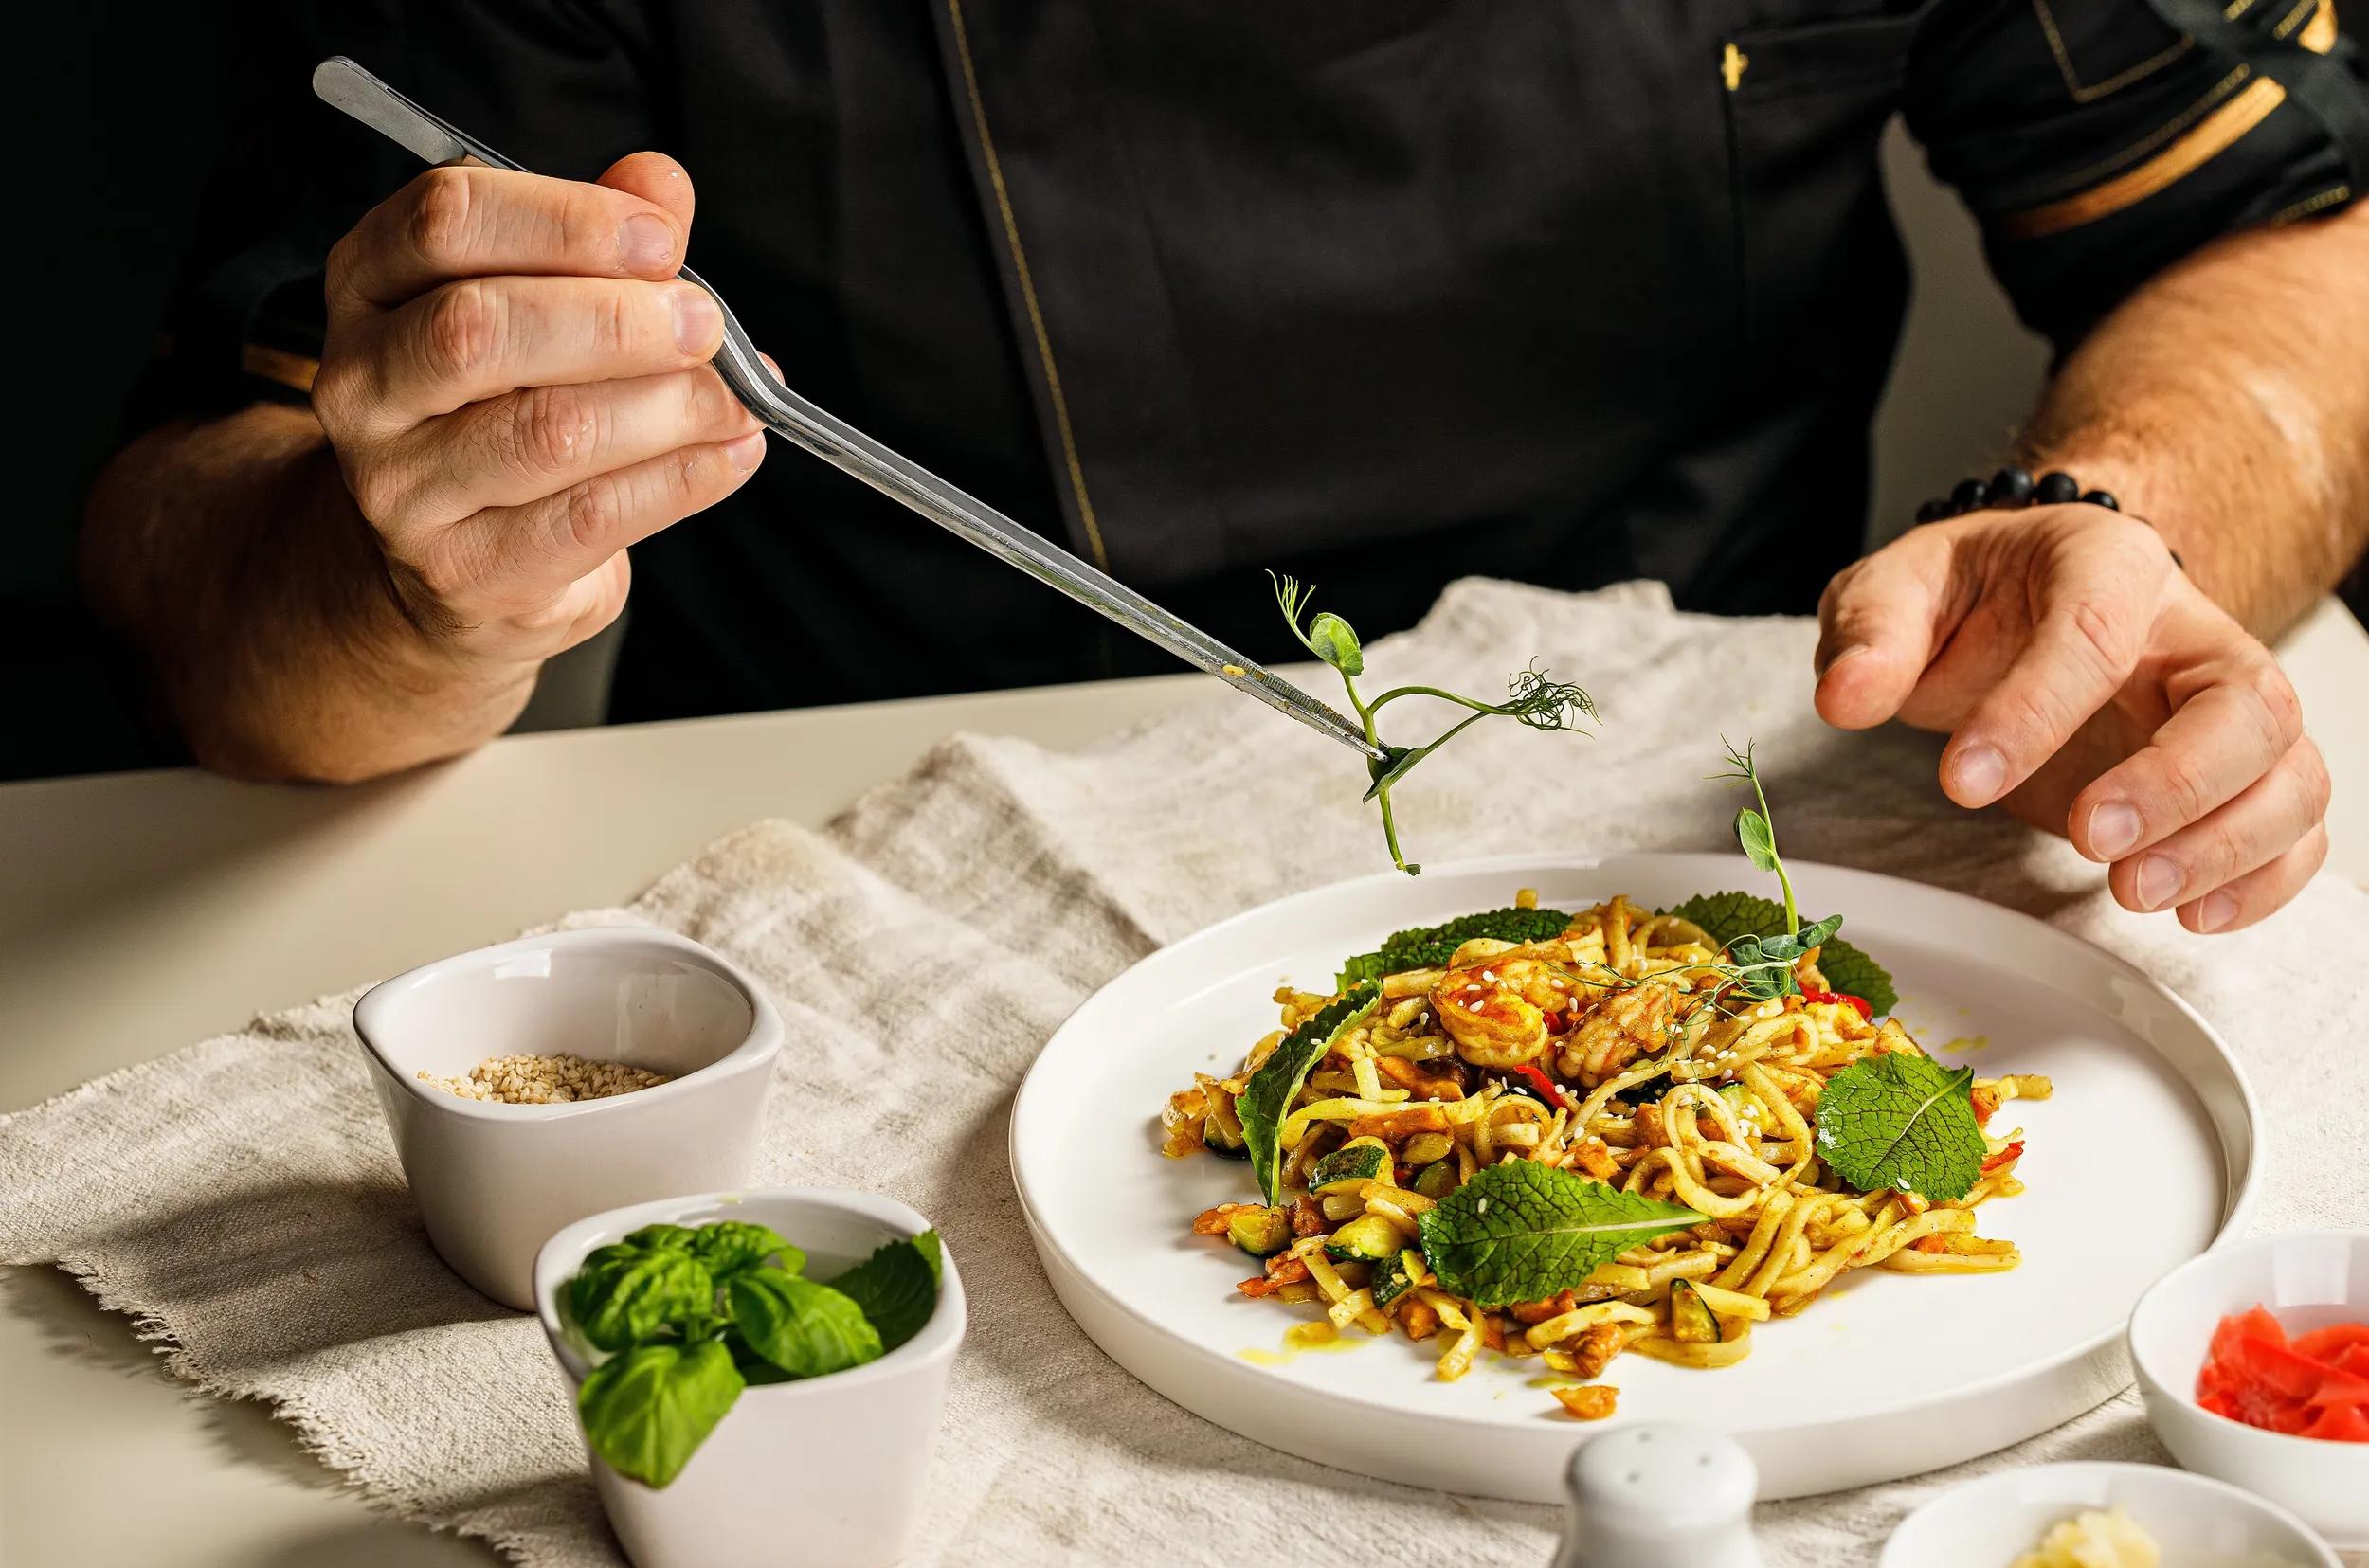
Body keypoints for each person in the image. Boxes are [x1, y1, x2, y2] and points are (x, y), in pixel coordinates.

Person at [82, 3, 2367, 935]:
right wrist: (415, 586)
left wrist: (2125, 521)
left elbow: (2289, 239)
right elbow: (208, 558)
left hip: (1711, 803)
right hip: (872, 858)